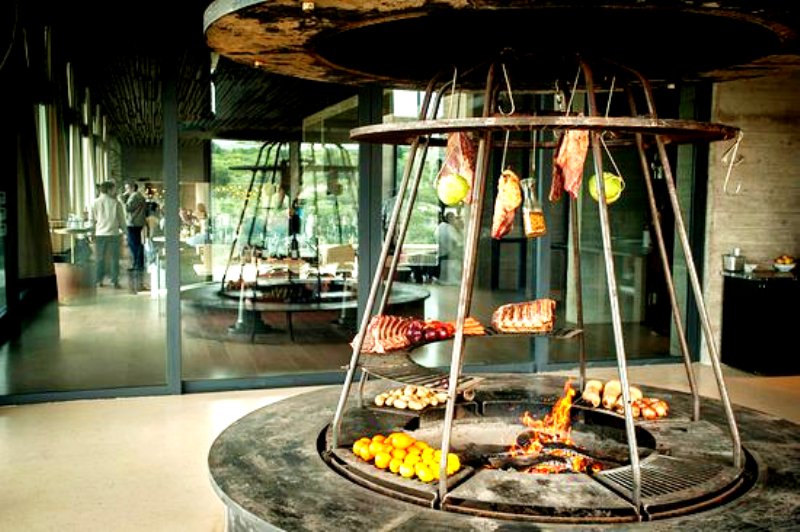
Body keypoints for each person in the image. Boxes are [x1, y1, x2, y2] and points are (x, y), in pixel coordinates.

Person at [90, 181, 126, 288]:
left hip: (100, 234)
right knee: (114, 258)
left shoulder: (94, 203)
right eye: (114, 189)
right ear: (109, 190)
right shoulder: (116, 203)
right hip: (113, 234)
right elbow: (121, 220)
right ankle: (114, 281)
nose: (115, 191)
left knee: (99, 258)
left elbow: (92, 220)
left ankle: (98, 280)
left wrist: (91, 233)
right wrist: (125, 232)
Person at [120, 182, 147, 277]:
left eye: (127, 188)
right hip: (137, 222)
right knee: (136, 243)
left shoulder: (134, 196)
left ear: (132, 188)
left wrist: (122, 200)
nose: (126, 190)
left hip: (133, 223)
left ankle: (137, 263)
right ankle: (138, 263)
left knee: (133, 243)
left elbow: (128, 208)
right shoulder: (138, 196)